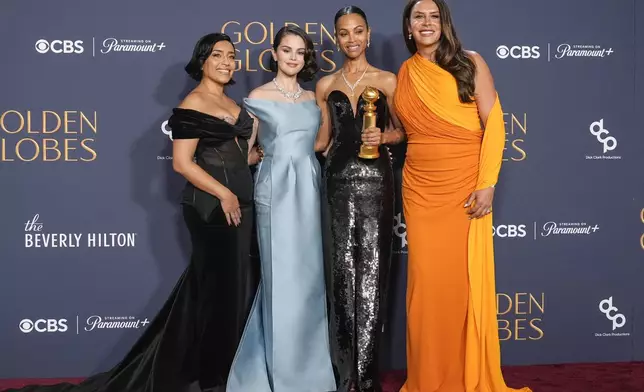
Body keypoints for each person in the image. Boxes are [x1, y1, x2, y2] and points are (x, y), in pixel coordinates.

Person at [3, 33, 258, 392]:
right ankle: (213, 379)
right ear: (202, 61)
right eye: (217, 55)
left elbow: (235, 155)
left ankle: (206, 369)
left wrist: (254, 158)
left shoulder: (230, 102)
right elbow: (182, 164)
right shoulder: (193, 103)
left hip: (241, 207)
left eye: (231, 56)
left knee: (223, 293)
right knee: (218, 296)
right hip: (212, 209)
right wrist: (224, 194)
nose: (226, 61)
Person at [393, 1, 532, 391]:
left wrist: (487, 181)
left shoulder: (471, 62)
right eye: (418, 16)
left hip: (464, 186)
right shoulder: (404, 73)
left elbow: (495, 124)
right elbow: (406, 132)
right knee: (425, 288)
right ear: (408, 27)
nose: (426, 23)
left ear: (444, 24)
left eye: (434, 16)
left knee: (460, 286)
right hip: (420, 189)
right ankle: (429, 378)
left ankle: (461, 375)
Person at [225, 25, 336, 392]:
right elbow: (244, 152)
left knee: (308, 280)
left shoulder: (311, 98)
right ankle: (279, 374)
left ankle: (310, 372)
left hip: (310, 188)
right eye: (286, 50)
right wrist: (259, 156)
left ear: (306, 58)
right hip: (275, 191)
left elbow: (321, 144)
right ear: (274, 53)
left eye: (300, 52)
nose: (292, 57)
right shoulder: (257, 97)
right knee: (280, 280)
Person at [313, 6, 406, 392]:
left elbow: (402, 132)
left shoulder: (388, 80)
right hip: (336, 180)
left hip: (376, 182)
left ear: (368, 35)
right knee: (340, 276)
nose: (351, 39)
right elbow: (321, 141)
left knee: (372, 275)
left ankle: (366, 378)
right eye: (344, 33)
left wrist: (383, 137)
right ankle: (343, 376)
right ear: (337, 38)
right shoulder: (324, 85)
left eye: (358, 31)